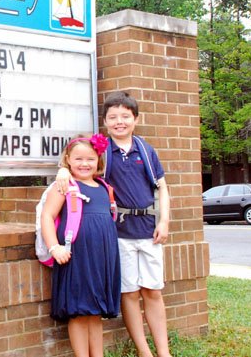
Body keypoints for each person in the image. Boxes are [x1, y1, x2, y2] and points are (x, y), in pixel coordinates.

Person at [56, 91, 172, 357]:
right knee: (129, 292)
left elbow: (163, 188)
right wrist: (62, 169)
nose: (120, 122)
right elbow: (78, 164)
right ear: (105, 122)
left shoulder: (146, 150)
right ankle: (144, 351)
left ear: (136, 119)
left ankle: (163, 352)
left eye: (125, 116)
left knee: (153, 290)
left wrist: (164, 221)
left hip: (149, 230)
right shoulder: (102, 152)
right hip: (118, 234)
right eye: (113, 117)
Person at [41, 133, 120, 357]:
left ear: (99, 161)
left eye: (90, 159)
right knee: (78, 311)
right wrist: (54, 247)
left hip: (100, 259)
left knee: (95, 312)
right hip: (76, 257)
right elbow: (47, 216)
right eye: (78, 159)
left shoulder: (105, 188)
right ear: (68, 160)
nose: (85, 164)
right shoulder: (65, 185)